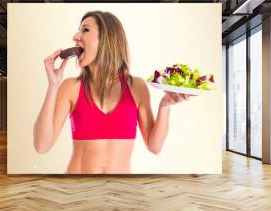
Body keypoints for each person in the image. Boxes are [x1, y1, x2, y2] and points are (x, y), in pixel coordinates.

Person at [33, 10, 191, 174]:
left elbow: (155, 146)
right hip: (79, 189)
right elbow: (41, 146)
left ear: (107, 39)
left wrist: (165, 105)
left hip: (121, 192)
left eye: (85, 30)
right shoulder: (70, 87)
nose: (76, 36)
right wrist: (53, 86)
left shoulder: (136, 87)